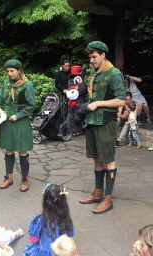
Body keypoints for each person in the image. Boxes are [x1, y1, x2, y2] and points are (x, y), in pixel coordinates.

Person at [79, 41, 126, 214]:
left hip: (106, 121)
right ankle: (98, 192)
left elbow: (121, 100)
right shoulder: (93, 72)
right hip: (91, 120)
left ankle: (108, 198)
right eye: (90, 57)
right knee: (97, 158)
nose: (91, 61)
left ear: (103, 55)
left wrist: (98, 103)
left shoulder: (114, 74)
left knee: (108, 158)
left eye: (94, 57)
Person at [0, 59, 36, 192]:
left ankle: (25, 179)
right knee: (8, 149)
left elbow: (31, 105)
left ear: (19, 70)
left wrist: (18, 115)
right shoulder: (5, 83)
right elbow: (0, 99)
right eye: (7, 71)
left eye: (12, 71)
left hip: (21, 121)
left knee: (22, 151)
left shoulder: (27, 85)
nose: (9, 74)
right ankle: (9, 178)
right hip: (6, 120)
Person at [23, 183, 74, 256]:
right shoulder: (66, 218)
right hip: (61, 253)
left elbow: (33, 238)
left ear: (45, 202)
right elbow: (70, 234)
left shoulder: (40, 219)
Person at [55, 55, 71, 121]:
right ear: (63, 66)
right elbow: (56, 84)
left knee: (71, 108)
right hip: (63, 93)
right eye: (66, 66)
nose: (67, 67)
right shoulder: (59, 73)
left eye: (68, 66)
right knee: (63, 109)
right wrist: (63, 90)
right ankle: (64, 122)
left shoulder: (71, 73)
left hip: (71, 93)